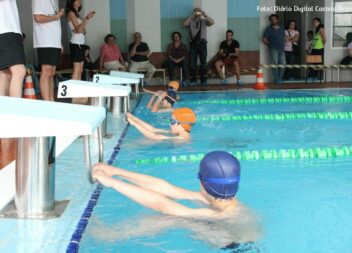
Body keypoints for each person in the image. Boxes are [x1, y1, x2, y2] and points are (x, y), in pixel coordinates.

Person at [93, 151, 241, 219]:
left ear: (202, 182)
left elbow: (162, 206)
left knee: (164, 219)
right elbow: (167, 189)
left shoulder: (220, 215)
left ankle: (110, 235)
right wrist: (115, 172)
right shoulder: (220, 200)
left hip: (234, 248)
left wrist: (113, 183)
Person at [32, 0, 64, 101]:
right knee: (46, 71)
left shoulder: (54, 1)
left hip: (54, 41)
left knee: (52, 72)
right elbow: (38, 17)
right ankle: (47, 103)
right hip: (45, 40)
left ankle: (51, 101)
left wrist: (59, 41)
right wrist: (56, 16)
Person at [0, 0, 26, 98]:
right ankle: (15, 111)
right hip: (5, 29)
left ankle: (4, 110)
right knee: (19, 70)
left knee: (5, 74)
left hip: (9, 29)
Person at [183, 8, 214, 86]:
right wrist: (192, 16)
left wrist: (205, 15)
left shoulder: (204, 20)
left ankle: (203, 80)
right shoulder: (190, 20)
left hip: (202, 44)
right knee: (192, 64)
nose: (197, 14)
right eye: (196, 13)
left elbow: (212, 22)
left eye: (198, 13)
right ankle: (193, 80)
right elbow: (184, 24)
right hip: (193, 45)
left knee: (203, 64)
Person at [66, 0, 95, 81]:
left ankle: (78, 90)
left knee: (80, 70)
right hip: (75, 43)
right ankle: (74, 91)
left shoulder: (77, 14)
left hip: (81, 43)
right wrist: (87, 18)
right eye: (77, 0)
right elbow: (79, 30)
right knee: (76, 70)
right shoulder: (71, 13)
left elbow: (84, 31)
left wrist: (80, 28)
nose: (79, 1)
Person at [127, 108, 196, 140]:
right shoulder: (177, 133)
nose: (170, 124)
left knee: (146, 141)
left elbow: (155, 137)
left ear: (182, 124)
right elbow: (154, 130)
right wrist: (134, 118)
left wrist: (135, 124)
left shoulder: (181, 138)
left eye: (172, 121)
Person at [262, 14, 286, 84]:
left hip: (282, 49)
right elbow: (264, 39)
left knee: (283, 64)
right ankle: (277, 79)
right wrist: (271, 45)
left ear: (277, 19)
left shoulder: (281, 28)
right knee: (274, 64)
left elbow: (284, 37)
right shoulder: (268, 29)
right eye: (271, 19)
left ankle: (280, 78)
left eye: (274, 19)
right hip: (273, 49)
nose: (273, 20)